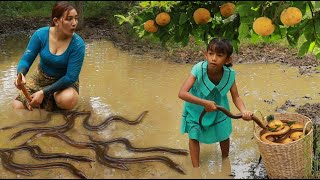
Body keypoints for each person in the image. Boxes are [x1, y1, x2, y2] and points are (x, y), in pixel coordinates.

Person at [178, 37, 253, 168]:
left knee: (223, 134)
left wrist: (244, 111)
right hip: (195, 108)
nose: (214, 58)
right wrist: (204, 103)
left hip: (219, 108)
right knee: (194, 135)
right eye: (211, 54)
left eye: (219, 55)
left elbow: (236, 97)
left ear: (228, 59)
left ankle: (225, 162)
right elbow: (182, 93)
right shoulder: (198, 69)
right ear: (205, 55)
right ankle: (196, 170)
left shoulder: (230, 74)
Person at [12, 1, 85, 112]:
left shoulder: (78, 44)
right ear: (56, 21)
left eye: (76, 18)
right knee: (17, 106)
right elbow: (26, 59)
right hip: (41, 77)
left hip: (64, 81)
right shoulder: (40, 35)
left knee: (67, 99)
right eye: (69, 19)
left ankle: (55, 107)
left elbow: (70, 77)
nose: (74, 23)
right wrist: (20, 74)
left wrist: (43, 92)